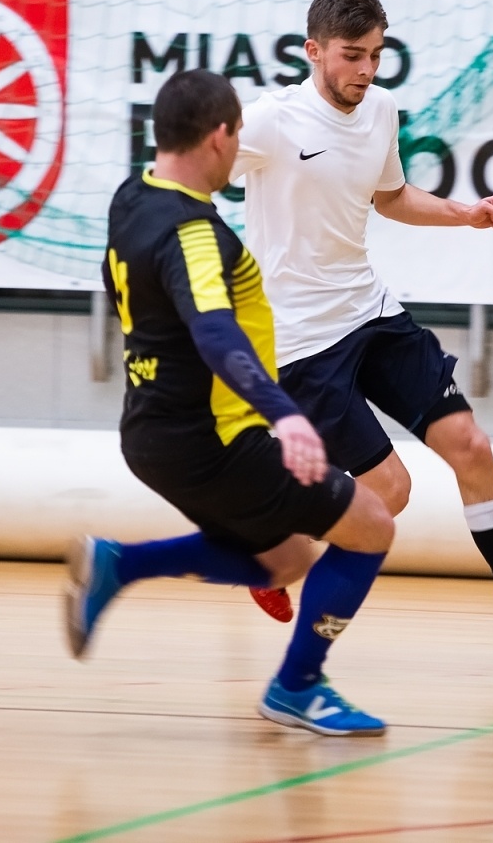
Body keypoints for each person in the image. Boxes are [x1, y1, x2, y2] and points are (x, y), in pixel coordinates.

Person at [231, 0, 493, 659]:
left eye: (377, 55)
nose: (366, 70)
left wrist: (465, 213)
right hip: (299, 342)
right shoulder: (269, 122)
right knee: (389, 492)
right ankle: (273, 562)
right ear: (313, 50)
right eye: (352, 55)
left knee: (470, 444)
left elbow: (391, 196)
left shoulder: (381, 110)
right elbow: (190, 169)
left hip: (370, 313)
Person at [65, 68, 396, 737]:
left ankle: (119, 564)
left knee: (289, 559)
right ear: (219, 137)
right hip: (215, 438)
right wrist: (287, 417)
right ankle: (297, 688)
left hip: (150, 434)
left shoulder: (132, 198)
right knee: (372, 525)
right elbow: (215, 332)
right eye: (238, 134)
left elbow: (116, 277)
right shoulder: (193, 233)